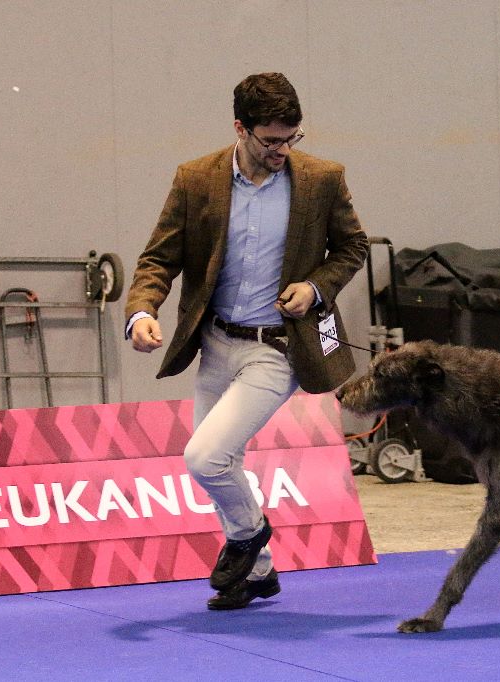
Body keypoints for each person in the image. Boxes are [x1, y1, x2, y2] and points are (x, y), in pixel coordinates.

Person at [124, 72, 368, 610]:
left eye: (292, 138)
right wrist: (142, 309)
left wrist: (314, 287)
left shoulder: (323, 179)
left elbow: (353, 248)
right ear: (240, 128)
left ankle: (248, 536)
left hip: (278, 347)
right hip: (215, 342)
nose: (283, 150)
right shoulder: (195, 179)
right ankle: (257, 574)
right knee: (223, 459)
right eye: (271, 140)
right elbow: (159, 258)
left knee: (205, 457)